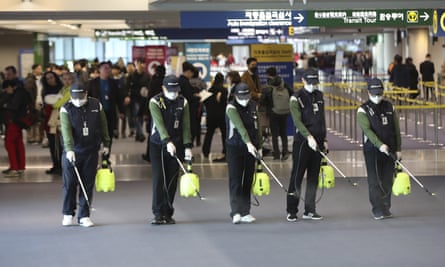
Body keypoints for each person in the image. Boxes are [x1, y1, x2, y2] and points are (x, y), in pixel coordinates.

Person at [59, 87, 111, 227]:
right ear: (70, 96)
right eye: (75, 98)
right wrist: (69, 149)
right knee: (69, 183)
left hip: (91, 150)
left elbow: (103, 126)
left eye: (80, 97)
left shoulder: (96, 105)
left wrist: (106, 144)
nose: (78, 101)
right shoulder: (66, 109)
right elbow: (66, 131)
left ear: (86, 94)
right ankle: (68, 212)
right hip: (72, 152)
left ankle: (84, 215)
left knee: (87, 183)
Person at [149, 75, 192, 225]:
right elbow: (159, 125)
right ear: (163, 88)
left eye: (176, 90)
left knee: (172, 180)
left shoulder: (183, 102)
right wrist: (167, 141)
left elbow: (186, 125)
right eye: (171, 90)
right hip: (158, 145)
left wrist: (187, 146)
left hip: (177, 144)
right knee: (159, 178)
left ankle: (168, 212)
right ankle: (157, 213)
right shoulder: (155, 102)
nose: (174, 93)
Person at [286, 69, 327, 222]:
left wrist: (324, 138)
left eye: (314, 83)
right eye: (309, 83)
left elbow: (322, 118)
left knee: (313, 177)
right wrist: (308, 136)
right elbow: (297, 121)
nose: (312, 86)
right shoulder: (296, 98)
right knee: (297, 176)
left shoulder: (319, 95)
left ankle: (310, 209)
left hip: (318, 141)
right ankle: (291, 210)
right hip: (303, 142)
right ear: (303, 81)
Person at [357, 78, 401, 220]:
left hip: (390, 149)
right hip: (373, 150)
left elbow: (396, 129)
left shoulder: (389, 106)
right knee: (375, 180)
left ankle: (386, 206)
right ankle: (377, 208)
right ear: (368, 92)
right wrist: (379, 145)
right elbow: (367, 131)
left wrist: (398, 148)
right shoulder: (362, 110)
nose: (377, 97)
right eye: (374, 94)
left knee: (388, 178)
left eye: (380, 93)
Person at [225, 82, 262, 224]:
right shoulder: (231, 107)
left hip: (251, 147)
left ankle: (246, 211)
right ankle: (235, 211)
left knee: (248, 179)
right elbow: (240, 127)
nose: (245, 100)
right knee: (235, 179)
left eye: (247, 96)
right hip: (235, 147)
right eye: (242, 97)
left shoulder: (253, 105)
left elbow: (257, 126)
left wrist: (258, 146)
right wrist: (248, 143)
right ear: (236, 96)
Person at [86, 61, 125, 151]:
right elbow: (87, 97)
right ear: (99, 70)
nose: (107, 70)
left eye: (108, 68)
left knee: (108, 135)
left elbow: (119, 98)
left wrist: (122, 111)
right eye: (105, 68)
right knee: (96, 135)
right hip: (96, 113)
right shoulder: (93, 83)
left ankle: (106, 157)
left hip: (110, 113)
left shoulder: (114, 83)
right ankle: (96, 155)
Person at [260, 67, 293, 160]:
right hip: (285, 111)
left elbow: (262, 100)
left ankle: (277, 154)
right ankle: (285, 151)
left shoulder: (267, 86)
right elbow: (292, 93)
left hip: (273, 112)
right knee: (283, 132)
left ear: (268, 74)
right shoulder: (284, 84)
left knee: (274, 134)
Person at [1, 79, 31, 177]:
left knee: (9, 143)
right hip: (18, 122)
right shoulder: (21, 91)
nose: (6, 91)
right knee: (18, 143)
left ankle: (14, 167)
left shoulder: (18, 93)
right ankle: (20, 167)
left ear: (10, 86)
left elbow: (14, 106)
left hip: (14, 121)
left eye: (6, 89)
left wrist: (5, 104)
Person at [41, 71, 64, 175]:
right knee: (52, 143)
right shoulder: (45, 90)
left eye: (51, 77)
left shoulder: (62, 88)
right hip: (49, 119)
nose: (50, 80)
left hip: (60, 118)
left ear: (55, 77)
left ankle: (63, 166)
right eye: (47, 79)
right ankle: (55, 165)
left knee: (61, 144)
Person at [202, 72, 227, 161]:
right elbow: (225, 103)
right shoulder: (224, 90)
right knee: (224, 134)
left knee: (209, 134)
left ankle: (205, 151)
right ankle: (225, 150)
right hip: (221, 115)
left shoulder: (210, 90)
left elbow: (204, 102)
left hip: (211, 115)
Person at [178, 61, 201, 146]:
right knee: (190, 131)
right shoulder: (184, 82)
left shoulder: (183, 81)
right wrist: (198, 97)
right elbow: (189, 97)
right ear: (188, 72)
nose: (192, 75)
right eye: (191, 73)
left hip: (187, 110)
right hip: (189, 111)